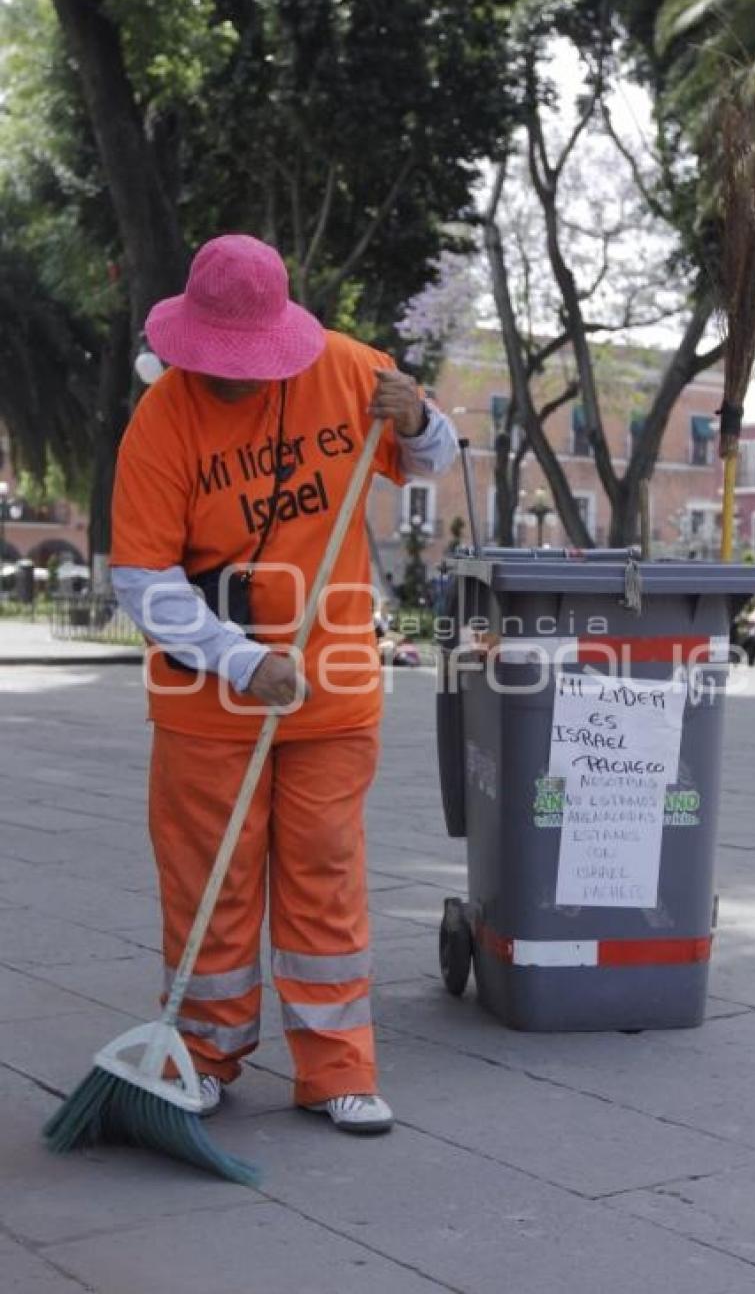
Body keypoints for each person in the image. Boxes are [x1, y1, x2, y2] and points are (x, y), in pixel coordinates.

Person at [110, 234, 458, 1132]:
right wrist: (243, 659)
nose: (230, 378)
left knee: (326, 875)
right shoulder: (164, 419)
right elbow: (141, 578)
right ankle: (205, 1055)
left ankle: (336, 1066)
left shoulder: (350, 371)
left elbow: (430, 461)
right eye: (214, 362)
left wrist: (419, 418)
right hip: (206, 703)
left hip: (333, 689)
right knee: (209, 886)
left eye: (246, 362)